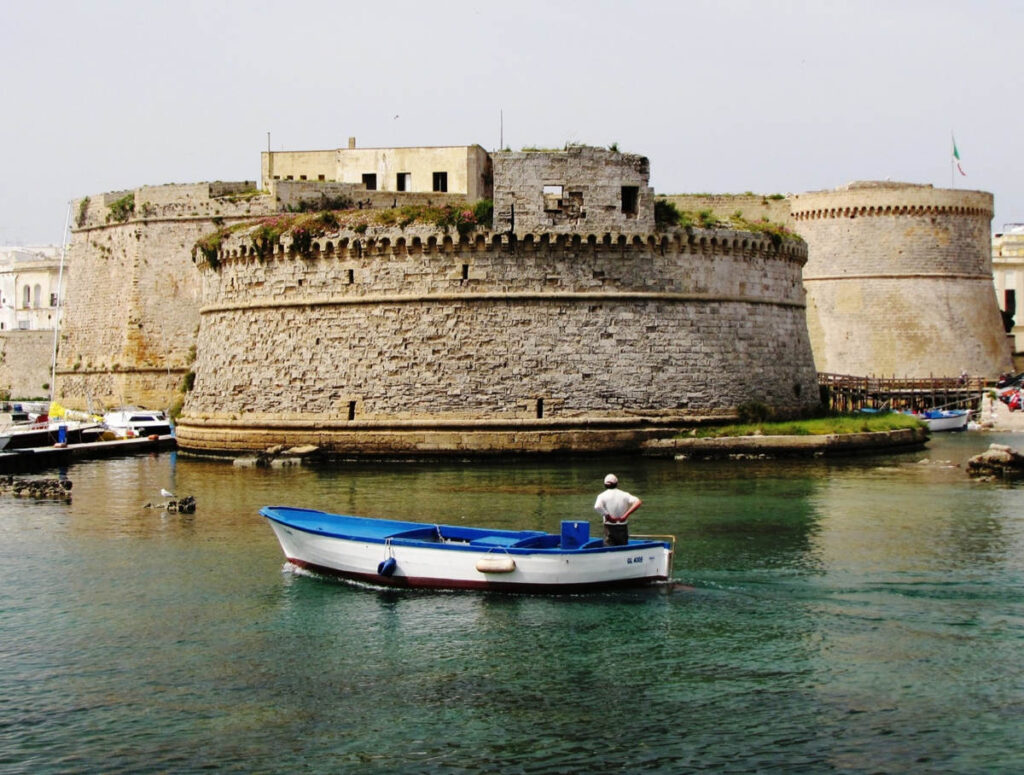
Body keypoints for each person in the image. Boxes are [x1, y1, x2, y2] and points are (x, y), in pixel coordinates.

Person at [594, 473, 642, 546]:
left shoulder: (602, 496)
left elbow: (597, 506)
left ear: (605, 484)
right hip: (622, 525)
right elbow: (638, 502)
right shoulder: (625, 494)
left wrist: (608, 516)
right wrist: (625, 515)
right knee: (623, 547)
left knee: (609, 548)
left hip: (609, 526)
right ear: (616, 483)